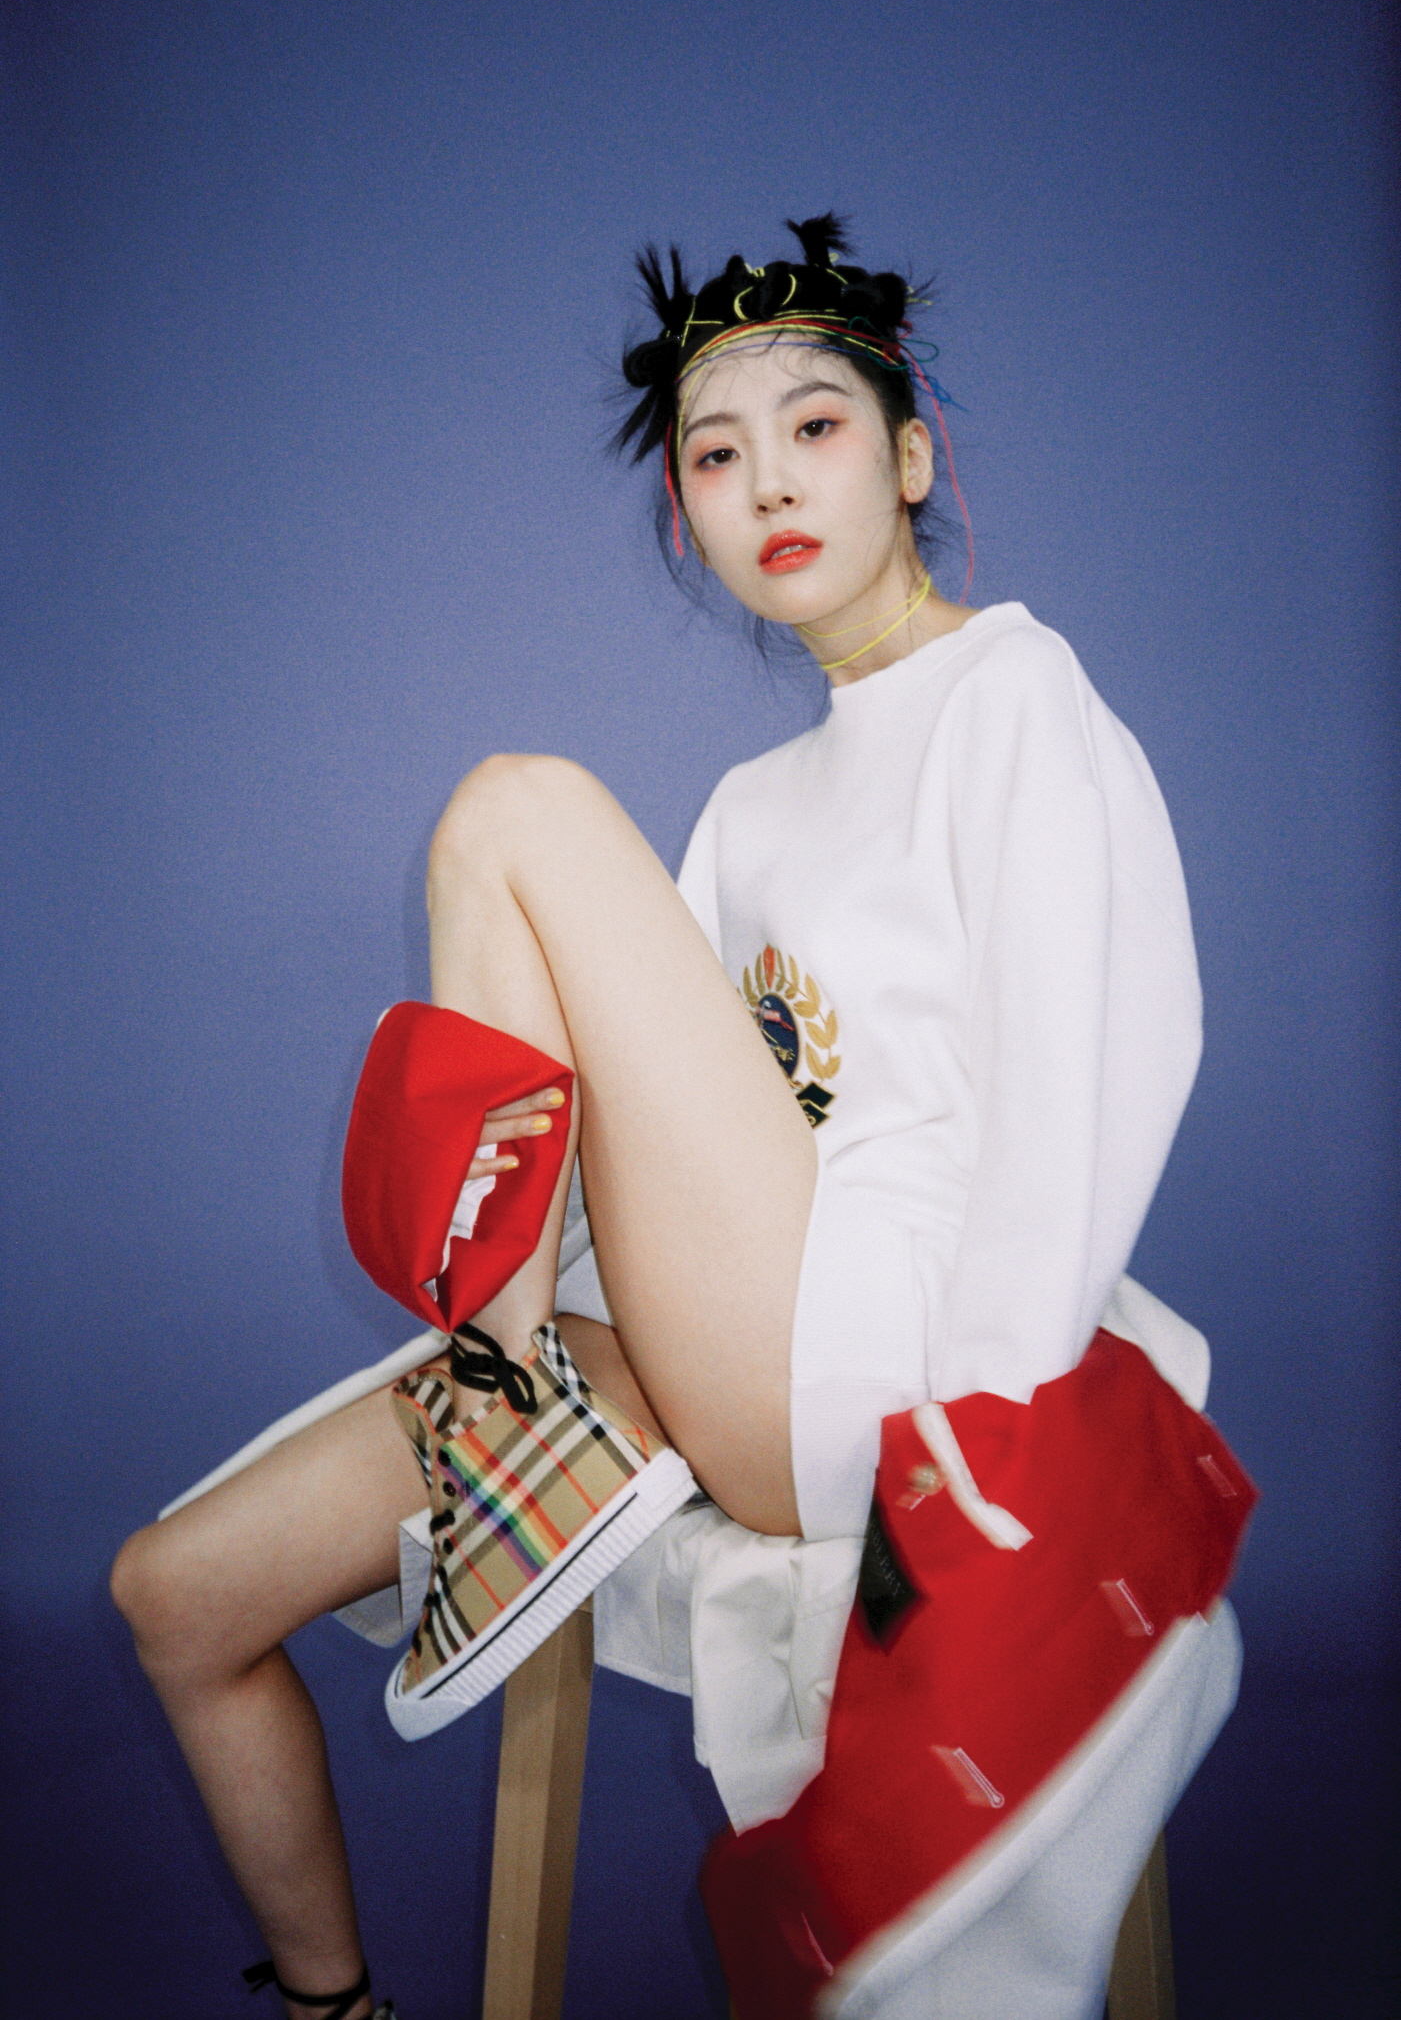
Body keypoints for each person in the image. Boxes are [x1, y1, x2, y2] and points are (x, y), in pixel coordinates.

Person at [111, 215, 1252, 2020]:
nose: (766, 483)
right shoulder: (750, 802)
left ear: (910, 458)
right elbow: (657, 1152)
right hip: (712, 1341)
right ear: (685, 517)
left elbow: (1093, 1090)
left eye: (814, 428)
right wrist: (574, 1315)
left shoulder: (1014, 696)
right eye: (715, 458)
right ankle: (336, 2001)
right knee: (173, 1594)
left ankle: (494, 1398)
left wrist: (968, 1462)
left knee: (516, 810)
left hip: (885, 1375)